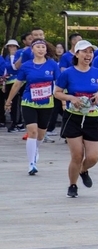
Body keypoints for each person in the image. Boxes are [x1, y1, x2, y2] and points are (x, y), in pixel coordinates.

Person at [53, 40, 98, 197]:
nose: (88, 55)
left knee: (93, 157)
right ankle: (72, 185)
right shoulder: (68, 73)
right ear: (76, 54)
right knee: (77, 155)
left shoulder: (96, 72)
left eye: (91, 52)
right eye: (84, 52)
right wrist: (71, 98)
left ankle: (83, 170)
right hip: (73, 117)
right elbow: (57, 92)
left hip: (91, 116)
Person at [5, 39, 58, 175]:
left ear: (46, 50)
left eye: (43, 47)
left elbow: (59, 83)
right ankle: (31, 163)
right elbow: (17, 84)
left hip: (47, 103)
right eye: (38, 47)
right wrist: (9, 100)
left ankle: (35, 150)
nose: (40, 49)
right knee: (32, 131)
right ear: (32, 50)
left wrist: (64, 100)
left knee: (41, 134)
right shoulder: (26, 65)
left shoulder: (52, 64)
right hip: (29, 101)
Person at [3, 39, 22, 132]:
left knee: (16, 103)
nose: (12, 48)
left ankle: (17, 123)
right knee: (10, 103)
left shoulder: (19, 56)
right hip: (8, 82)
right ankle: (15, 122)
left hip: (18, 82)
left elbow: (15, 67)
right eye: (10, 46)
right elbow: (5, 70)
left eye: (14, 46)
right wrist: (3, 83)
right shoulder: (7, 57)